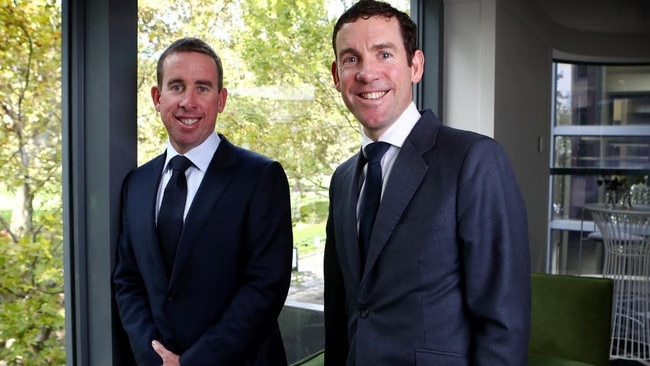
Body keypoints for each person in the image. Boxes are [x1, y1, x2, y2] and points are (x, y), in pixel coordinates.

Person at [323, 1, 531, 365]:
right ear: (336, 75)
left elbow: (503, 321)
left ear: (415, 65)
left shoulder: (473, 159)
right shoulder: (342, 179)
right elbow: (343, 311)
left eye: (384, 54)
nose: (368, 73)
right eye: (351, 59)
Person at [113, 37, 293, 366]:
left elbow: (265, 287)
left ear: (221, 100)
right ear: (157, 97)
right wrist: (155, 358)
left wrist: (192, 362)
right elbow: (128, 281)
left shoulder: (260, 177)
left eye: (203, 88)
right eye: (177, 86)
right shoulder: (136, 184)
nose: (188, 101)